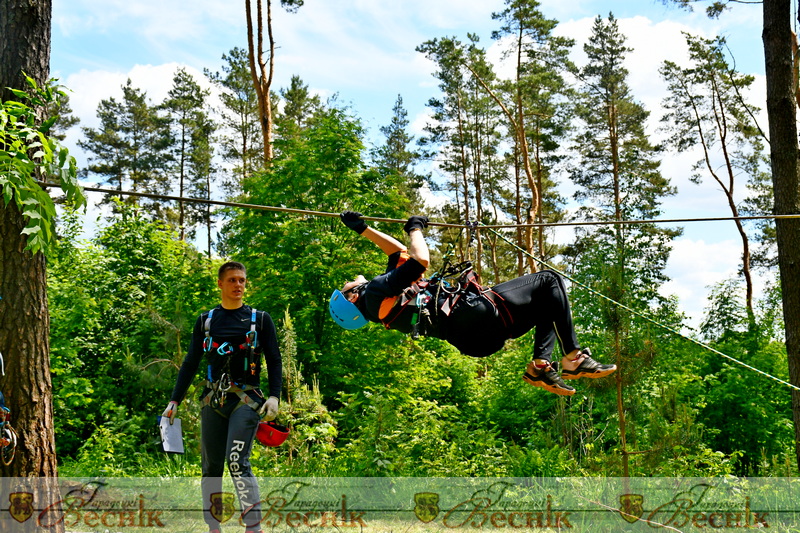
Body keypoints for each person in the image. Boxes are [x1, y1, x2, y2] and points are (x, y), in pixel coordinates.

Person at [330, 212, 616, 396]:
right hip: (474, 313)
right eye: (347, 286)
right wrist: (415, 228)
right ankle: (573, 357)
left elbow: (398, 253)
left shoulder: (384, 311)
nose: (351, 279)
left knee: (547, 305)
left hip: (478, 342)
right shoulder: (375, 292)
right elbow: (419, 260)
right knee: (549, 281)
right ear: (353, 297)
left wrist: (363, 229)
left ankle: (541, 365)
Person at [162, 261, 282, 533]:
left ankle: (253, 528)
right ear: (220, 284)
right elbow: (191, 362)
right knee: (211, 466)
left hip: (247, 401)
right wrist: (174, 400)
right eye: (232, 280)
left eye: (242, 280)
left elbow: (275, 359)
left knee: (237, 461)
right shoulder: (206, 321)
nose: (238, 285)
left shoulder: (260, 320)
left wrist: (274, 396)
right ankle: (213, 527)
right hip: (212, 401)